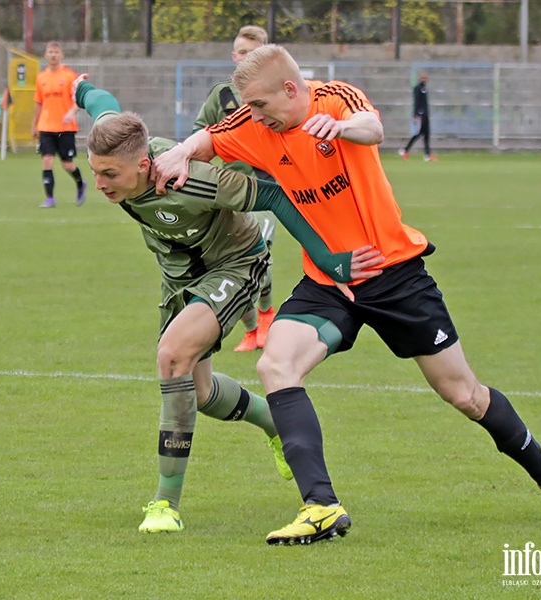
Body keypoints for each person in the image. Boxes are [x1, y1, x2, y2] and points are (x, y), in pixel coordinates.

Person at [152, 44, 541, 546]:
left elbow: (372, 126)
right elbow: (210, 137)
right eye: (248, 108)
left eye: (260, 105)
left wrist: (340, 130)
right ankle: (320, 506)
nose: (253, 115)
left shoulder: (334, 101)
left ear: (291, 89)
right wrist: (179, 153)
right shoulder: (255, 126)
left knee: (464, 395)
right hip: (329, 283)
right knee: (276, 367)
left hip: (395, 276)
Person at [72, 74, 386, 535]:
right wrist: (81, 88)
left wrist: (332, 262)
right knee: (196, 395)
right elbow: (104, 103)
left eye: (110, 175)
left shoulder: (189, 181)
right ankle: (275, 426)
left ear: (143, 164)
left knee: (172, 356)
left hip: (237, 265)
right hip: (178, 279)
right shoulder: (117, 149)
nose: (99, 184)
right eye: (95, 171)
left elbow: (273, 195)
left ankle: (165, 504)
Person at [194, 25, 276, 352]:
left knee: (259, 260)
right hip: (228, 193)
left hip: (266, 191)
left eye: (252, 54)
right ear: (233, 56)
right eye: (241, 53)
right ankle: (252, 327)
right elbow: (201, 131)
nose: (245, 58)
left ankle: (267, 315)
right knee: (229, 267)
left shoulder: (276, 93)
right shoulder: (222, 94)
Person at [32, 41, 86, 208]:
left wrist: (71, 113)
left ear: (61, 55)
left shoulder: (69, 76)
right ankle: (50, 199)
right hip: (46, 127)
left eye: (56, 52)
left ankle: (80, 184)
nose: (53, 55)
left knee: (67, 164)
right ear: (46, 55)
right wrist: (34, 124)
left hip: (65, 128)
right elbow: (39, 103)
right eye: (50, 52)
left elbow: (79, 99)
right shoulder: (41, 77)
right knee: (47, 160)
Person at [399, 72, 436, 161]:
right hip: (420, 114)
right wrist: (415, 114)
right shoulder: (418, 88)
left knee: (426, 134)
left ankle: (428, 154)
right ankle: (405, 150)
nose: (425, 79)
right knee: (419, 133)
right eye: (423, 78)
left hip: (426, 114)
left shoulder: (424, 88)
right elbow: (416, 102)